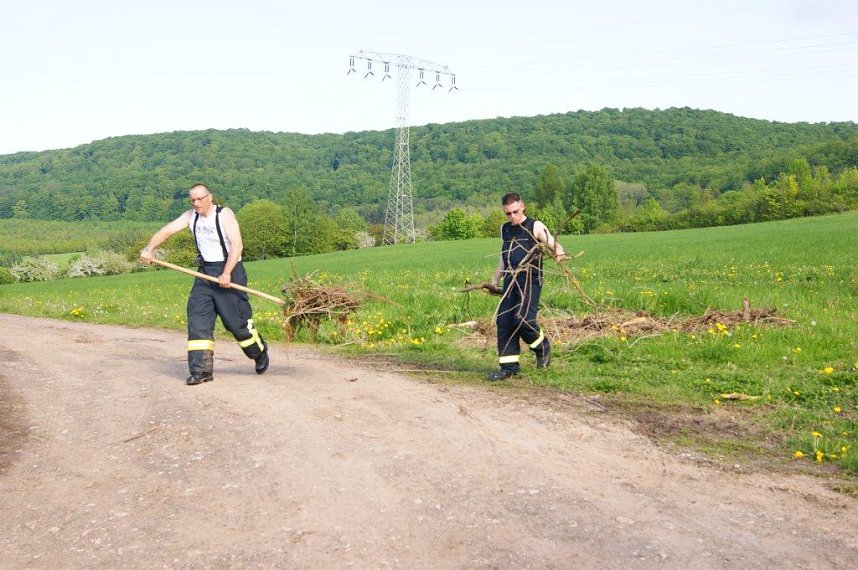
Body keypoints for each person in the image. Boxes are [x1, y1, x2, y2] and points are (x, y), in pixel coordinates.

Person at [139, 183, 269, 385]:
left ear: (209, 197)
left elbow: (238, 244)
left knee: (237, 324)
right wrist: (149, 248)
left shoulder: (224, 215)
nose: (196, 203)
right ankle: (201, 371)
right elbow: (166, 231)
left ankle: (258, 351)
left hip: (230, 270)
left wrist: (226, 273)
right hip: (205, 274)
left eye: (199, 199)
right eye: (192, 200)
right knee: (198, 320)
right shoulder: (191, 216)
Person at [487, 192, 566, 381]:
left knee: (522, 319)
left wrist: (559, 253)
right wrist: (495, 280)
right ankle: (509, 367)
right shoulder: (505, 229)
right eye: (508, 213)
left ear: (522, 206)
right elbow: (504, 256)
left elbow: (555, 245)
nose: (512, 217)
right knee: (504, 320)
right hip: (510, 281)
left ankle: (542, 346)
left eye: (515, 211)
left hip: (530, 280)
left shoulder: (535, 226)